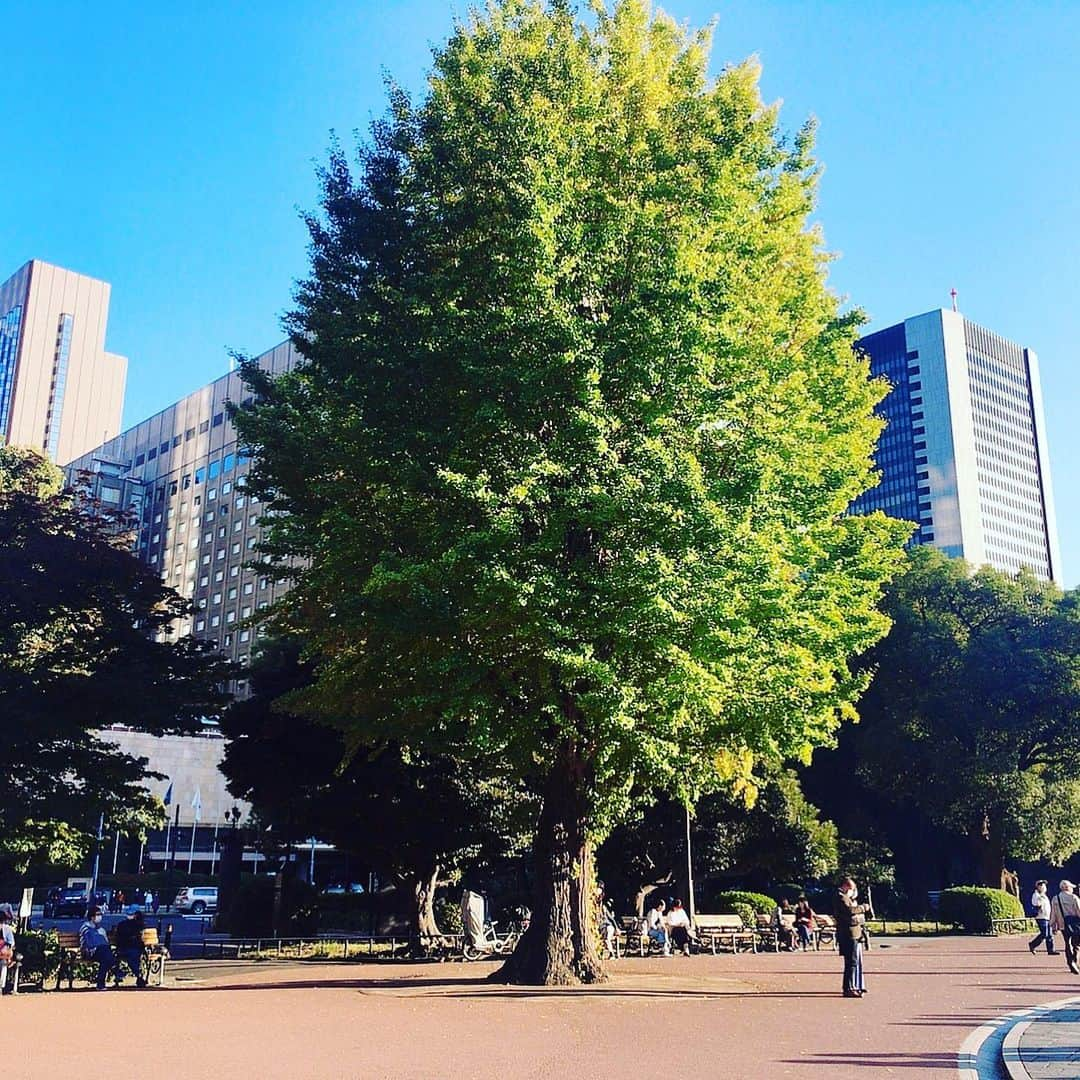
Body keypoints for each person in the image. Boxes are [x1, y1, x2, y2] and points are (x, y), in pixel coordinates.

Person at [834, 877, 871, 998]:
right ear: (845, 887)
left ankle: (853, 985)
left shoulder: (846, 898)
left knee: (853, 962)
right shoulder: (841, 897)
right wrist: (863, 908)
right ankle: (848, 988)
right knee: (851, 962)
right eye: (851, 888)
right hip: (848, 934)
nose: (853, 891)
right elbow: (850, 911)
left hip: (853, 933)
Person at [78, 906, 117, 990]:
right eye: (98, 914)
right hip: (90, 952)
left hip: (102, 953)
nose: (100, 916)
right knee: (106, 953)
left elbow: (106, 942)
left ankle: (100, 984)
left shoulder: (101, 929)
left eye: (100, 914)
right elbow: (89, 943)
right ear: (92, 917)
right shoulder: (85, 928)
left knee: (105, 958)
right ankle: (116, 970)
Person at [1049, 879, 1080, 975]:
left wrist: (1054, 926)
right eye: (1071, 887)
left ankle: (1070, 961)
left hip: (1063, 924)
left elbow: (1053, 914)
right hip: (1076, 924)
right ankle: (1074, 960)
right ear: (1067, 888)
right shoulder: (1074, 898)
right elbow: (1079, 911)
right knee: (1077, 944)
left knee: (1067, 942)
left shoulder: (1055, 898)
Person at [113, 905, 148, 988]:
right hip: (131, 948)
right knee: (133, 956)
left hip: (125, 948)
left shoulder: (124, 924)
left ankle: (135, 975)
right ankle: (138, 976)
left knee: (131, 956)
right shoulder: (138, 925)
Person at [1029, 880, 1057, 956]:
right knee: (1044, 933)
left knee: (1049, 934)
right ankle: (1033, 944)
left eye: (1044, 885)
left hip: (1047, 916)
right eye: (1041, 885)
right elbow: (1036, 904)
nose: (1043, 887)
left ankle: (1050, 949)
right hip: (1041, 917)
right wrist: (1040, 899)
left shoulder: (1044, 895)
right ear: (1037, 886)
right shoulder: (1036, 895)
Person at [597, 884, 620, 959]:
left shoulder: (603, 908)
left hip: (608, 927)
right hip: (601, 928)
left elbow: (611, 919)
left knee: (606, 939)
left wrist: (616, 928)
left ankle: (612, 954)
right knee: (601, 938)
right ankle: (601, 953)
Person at [0, 908, 15, 996]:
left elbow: (12, 943)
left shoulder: (7, 929)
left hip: (3, 954)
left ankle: (0, 987)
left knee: (3, 964)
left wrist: (7, 949)